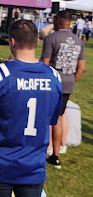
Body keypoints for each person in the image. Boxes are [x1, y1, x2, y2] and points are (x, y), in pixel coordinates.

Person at [0, 20, 62, 197]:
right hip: (33, 164)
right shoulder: (54, 77)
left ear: (12, 41)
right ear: (37, 41)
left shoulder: (0, 74)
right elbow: (51, 120)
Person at [41, 10, 85, 169]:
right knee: (59, 117)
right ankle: (55, 154)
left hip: (52, 83)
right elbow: (81, 68)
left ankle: (46, 149)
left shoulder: (51, 38)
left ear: (58, 20)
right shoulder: (78, 41)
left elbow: (44, 65)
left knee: (47, 118)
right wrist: (71, 81)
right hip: (67, 84)